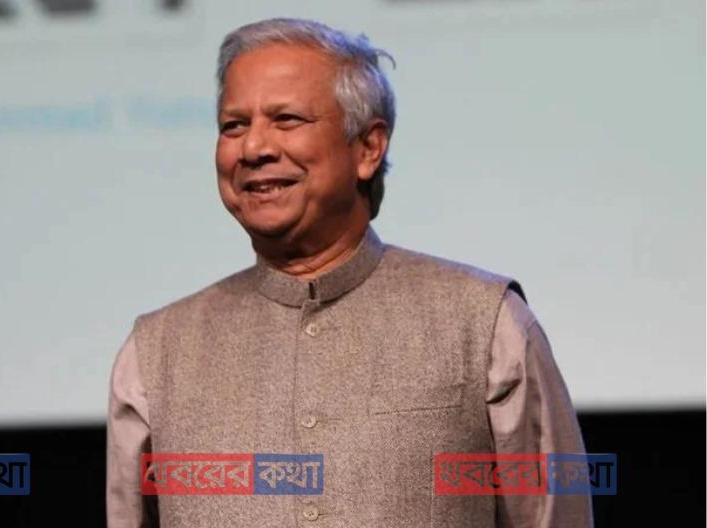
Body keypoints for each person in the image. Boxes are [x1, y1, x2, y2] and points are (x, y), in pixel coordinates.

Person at [106, 17, 592, 527]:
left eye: (286, 119)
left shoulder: (487, 326)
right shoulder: (155, 355)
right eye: (233, 126)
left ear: (368, 148)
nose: (253, 148)